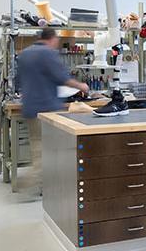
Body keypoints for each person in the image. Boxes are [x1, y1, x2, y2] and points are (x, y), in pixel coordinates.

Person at [15, 28, 92, 195]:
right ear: (52, 39)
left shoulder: (25, 54)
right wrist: (82, 86)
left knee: (37, 147)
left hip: (29, 106)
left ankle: (41, 183)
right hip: (46, 108)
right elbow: (62, 78)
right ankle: (31, 180)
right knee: (50, 150)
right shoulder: (47, 53)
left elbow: (19, 80)